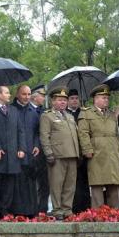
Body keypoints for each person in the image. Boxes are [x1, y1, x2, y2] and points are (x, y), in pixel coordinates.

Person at [78, 84, 119, 209]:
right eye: (103, 97)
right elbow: (83, 133)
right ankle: (98, 214)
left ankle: (115, 213)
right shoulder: (86, 113)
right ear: (95, 99)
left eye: (107, 98)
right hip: (96, 152)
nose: (106, 100)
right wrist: (87, 149)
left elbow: (116, 134)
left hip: (112, 152)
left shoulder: (111, 115)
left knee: (114, 183)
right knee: (97, 183)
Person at [0, 86, 26, 220]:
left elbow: (20, 130)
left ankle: (5, 213)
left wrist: (21, 148)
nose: (9, 95)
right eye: (6, 93)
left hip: (12, 156)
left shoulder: (13, 110)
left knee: (9, 187)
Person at [40, 87, 79, 220]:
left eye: (64, 100)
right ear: (52, 101)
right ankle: (57, 210)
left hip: (72, 154)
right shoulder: (47, 116)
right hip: (57, 156)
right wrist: (49, 153)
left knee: (70, 185)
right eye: (59, 100)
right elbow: (45, 136)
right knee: (57, 185)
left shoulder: (69, 116)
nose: (63, 102)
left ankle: (67, 209)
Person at [10, 85, 40, 217]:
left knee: (30, 184)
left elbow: (37, 132)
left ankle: (31, 211)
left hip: (30, 154)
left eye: (29, 94)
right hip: (16, 154)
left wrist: (36, 145)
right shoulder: (11, 110)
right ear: (17, 95)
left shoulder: (33, 112)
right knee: (17, 184)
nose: (27, 97)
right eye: (24, 94)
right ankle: (18, 211)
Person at [66, 89, 91, 214]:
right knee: (71, 183)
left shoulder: (85, 113)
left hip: (84, 153)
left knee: (84, 181)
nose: (75, 100)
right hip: (71, 153)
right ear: (68, 101)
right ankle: (72, 208)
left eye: (76, 98)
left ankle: (85, 208)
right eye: (72, 98)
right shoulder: (65, 114)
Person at [30, 84, 49, 213]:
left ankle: (42, 209)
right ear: (34, 96)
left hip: (43, 153)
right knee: (32, 184)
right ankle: (33, 209)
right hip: (31, 151)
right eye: (42, 95)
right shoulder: (27, 110)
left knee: (44, 183)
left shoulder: (44, 112)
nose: (43, 98)